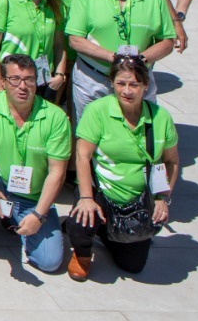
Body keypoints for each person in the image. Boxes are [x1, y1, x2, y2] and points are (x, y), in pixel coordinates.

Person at [66, 56, 180, 280]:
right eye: (121, 83)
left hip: (138, 197)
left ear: (145, 86)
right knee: (81, 220)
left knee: (132, 266)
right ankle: (83, 253)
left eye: (134, 84)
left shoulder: (160, 118)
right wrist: (87, 197)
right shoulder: (97, 111)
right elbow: (82, 155)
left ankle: (107, 232)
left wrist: (163, 198)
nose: (127, 90)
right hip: (103, 190)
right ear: (112, 84)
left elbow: (171, 161)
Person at [0, 53, 71, 271]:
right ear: (3, 81)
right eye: (15, 79)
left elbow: (58, 174)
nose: (23, 86)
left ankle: (22, 222)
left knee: (49, 263)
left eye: (29, 80)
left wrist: (38, 215)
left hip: (33, 197)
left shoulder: (56, 117)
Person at [66, 0, 180, 121]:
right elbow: (75, 40)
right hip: (94, 79)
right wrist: (113, 58)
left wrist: (139, 60)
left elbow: (167, 42)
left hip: (138, 79)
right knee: (89, 135)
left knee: (142, 132)